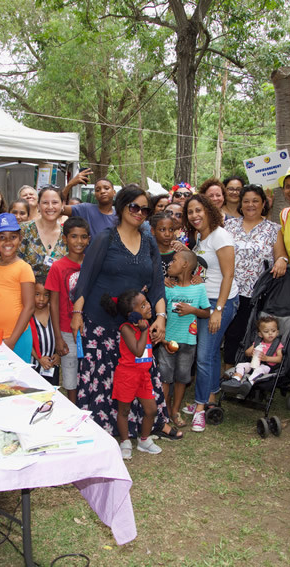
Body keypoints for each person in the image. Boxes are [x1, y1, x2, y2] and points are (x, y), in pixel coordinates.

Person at [71, 186, 183, 440]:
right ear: (122, 207)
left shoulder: (149, 241)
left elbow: (157, 285)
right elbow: (85, 278)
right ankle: (101, 429)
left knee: (142, 374)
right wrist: (77, 313)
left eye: (145, 209)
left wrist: (161, 318)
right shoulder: (105, 238)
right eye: (134, 207)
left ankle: (152, 423)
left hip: (135, 325)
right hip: (100, 322)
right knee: (104, 378)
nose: (140, 213)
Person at [181, 193, 239, 432]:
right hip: (206, 301)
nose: (194, 216)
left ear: (209, 211)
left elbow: (228, 274)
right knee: (212, 354)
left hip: (220, 302)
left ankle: (200, 407)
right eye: (190, 212)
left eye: (198, 210)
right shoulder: (200, 238)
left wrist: (218, 310)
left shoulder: (220, 236)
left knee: (204, 356)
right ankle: (212, 395)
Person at [100, 289, 164, 459]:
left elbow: (147, 348)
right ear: (132, 314)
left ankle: (143, 440)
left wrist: (159, 339)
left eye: (147, 302)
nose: (149, 306)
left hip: (143, 375)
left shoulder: (147, 325)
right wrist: (144, 332)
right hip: (127, 375)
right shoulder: (126, 328)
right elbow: (137, 350)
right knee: (124, 410)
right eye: (143, 305)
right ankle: (125, 441)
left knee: (151, 410)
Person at [223, 185, 280, 373]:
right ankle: (229, 370)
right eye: (246, 201)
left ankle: (252, 372)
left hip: (257, 293)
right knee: (231, 333)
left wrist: (283, 260)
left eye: (255, 200)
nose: (250, 205)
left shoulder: (273, 229)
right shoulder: (229, 226)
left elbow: (281, 256)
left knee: (252, 335)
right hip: (230, 290)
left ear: (263, 203)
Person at [156, 250, 209, 427]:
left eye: (174, 260)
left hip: (188, 342)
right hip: (167, 341)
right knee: (165, 377)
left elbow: (206, 312)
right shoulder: (168, 287)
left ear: (185, 265)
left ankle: (175, 410)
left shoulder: (199, 288)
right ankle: (164, 412)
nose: (170, 264)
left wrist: (192, 310)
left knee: (181, 378)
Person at [0, 213, 35, 362]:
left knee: (17, 382)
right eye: (2, 237)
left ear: (20, 239)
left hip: (18, 337)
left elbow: (29, 307)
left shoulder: (24, 268)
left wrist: (12, 340)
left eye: (13, 237)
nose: (7, 242)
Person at [46, 217, 90, 404]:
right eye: (73, 236)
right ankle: (73, 407)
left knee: (89, 372)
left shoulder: (92, 264)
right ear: (65, 239)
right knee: (70, 372)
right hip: (66, 330)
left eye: (83, 237)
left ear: (89, 239)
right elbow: (53, 304)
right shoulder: (57, 267)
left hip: (90, 329)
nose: (79, 241)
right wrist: (58, 337)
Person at [18, 186, 67, 279]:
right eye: (45, 203)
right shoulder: (24, 229)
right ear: (38, 205)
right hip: (27, 290)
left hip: (57, 292)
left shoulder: (67, 234)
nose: (50, 207)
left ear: (63, 204)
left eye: (55, 202)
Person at [229, 315, 283, 385]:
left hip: (267, 367)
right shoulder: (258, 342)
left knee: (259, 370)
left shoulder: (278, 344)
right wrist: (251, 353)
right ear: (260, 334)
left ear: (277, 332)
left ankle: (249, 382)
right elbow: (246, 352)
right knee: (240, 365)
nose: (270, 333)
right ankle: (236, 379)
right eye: (266, 331)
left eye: (273, 331)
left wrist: (267, 358)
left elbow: (279, 359)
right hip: (253, 364)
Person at [30, 275, 60, 385]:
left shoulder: (53, 312)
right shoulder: (28, 314)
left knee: (52, 394)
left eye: (46, 295)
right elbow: (27, 341)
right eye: (37, 294)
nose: (41, 299)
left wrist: (58, 354)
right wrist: (39, 358)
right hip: (35, 364)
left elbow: (58, 335)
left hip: (51, 365)